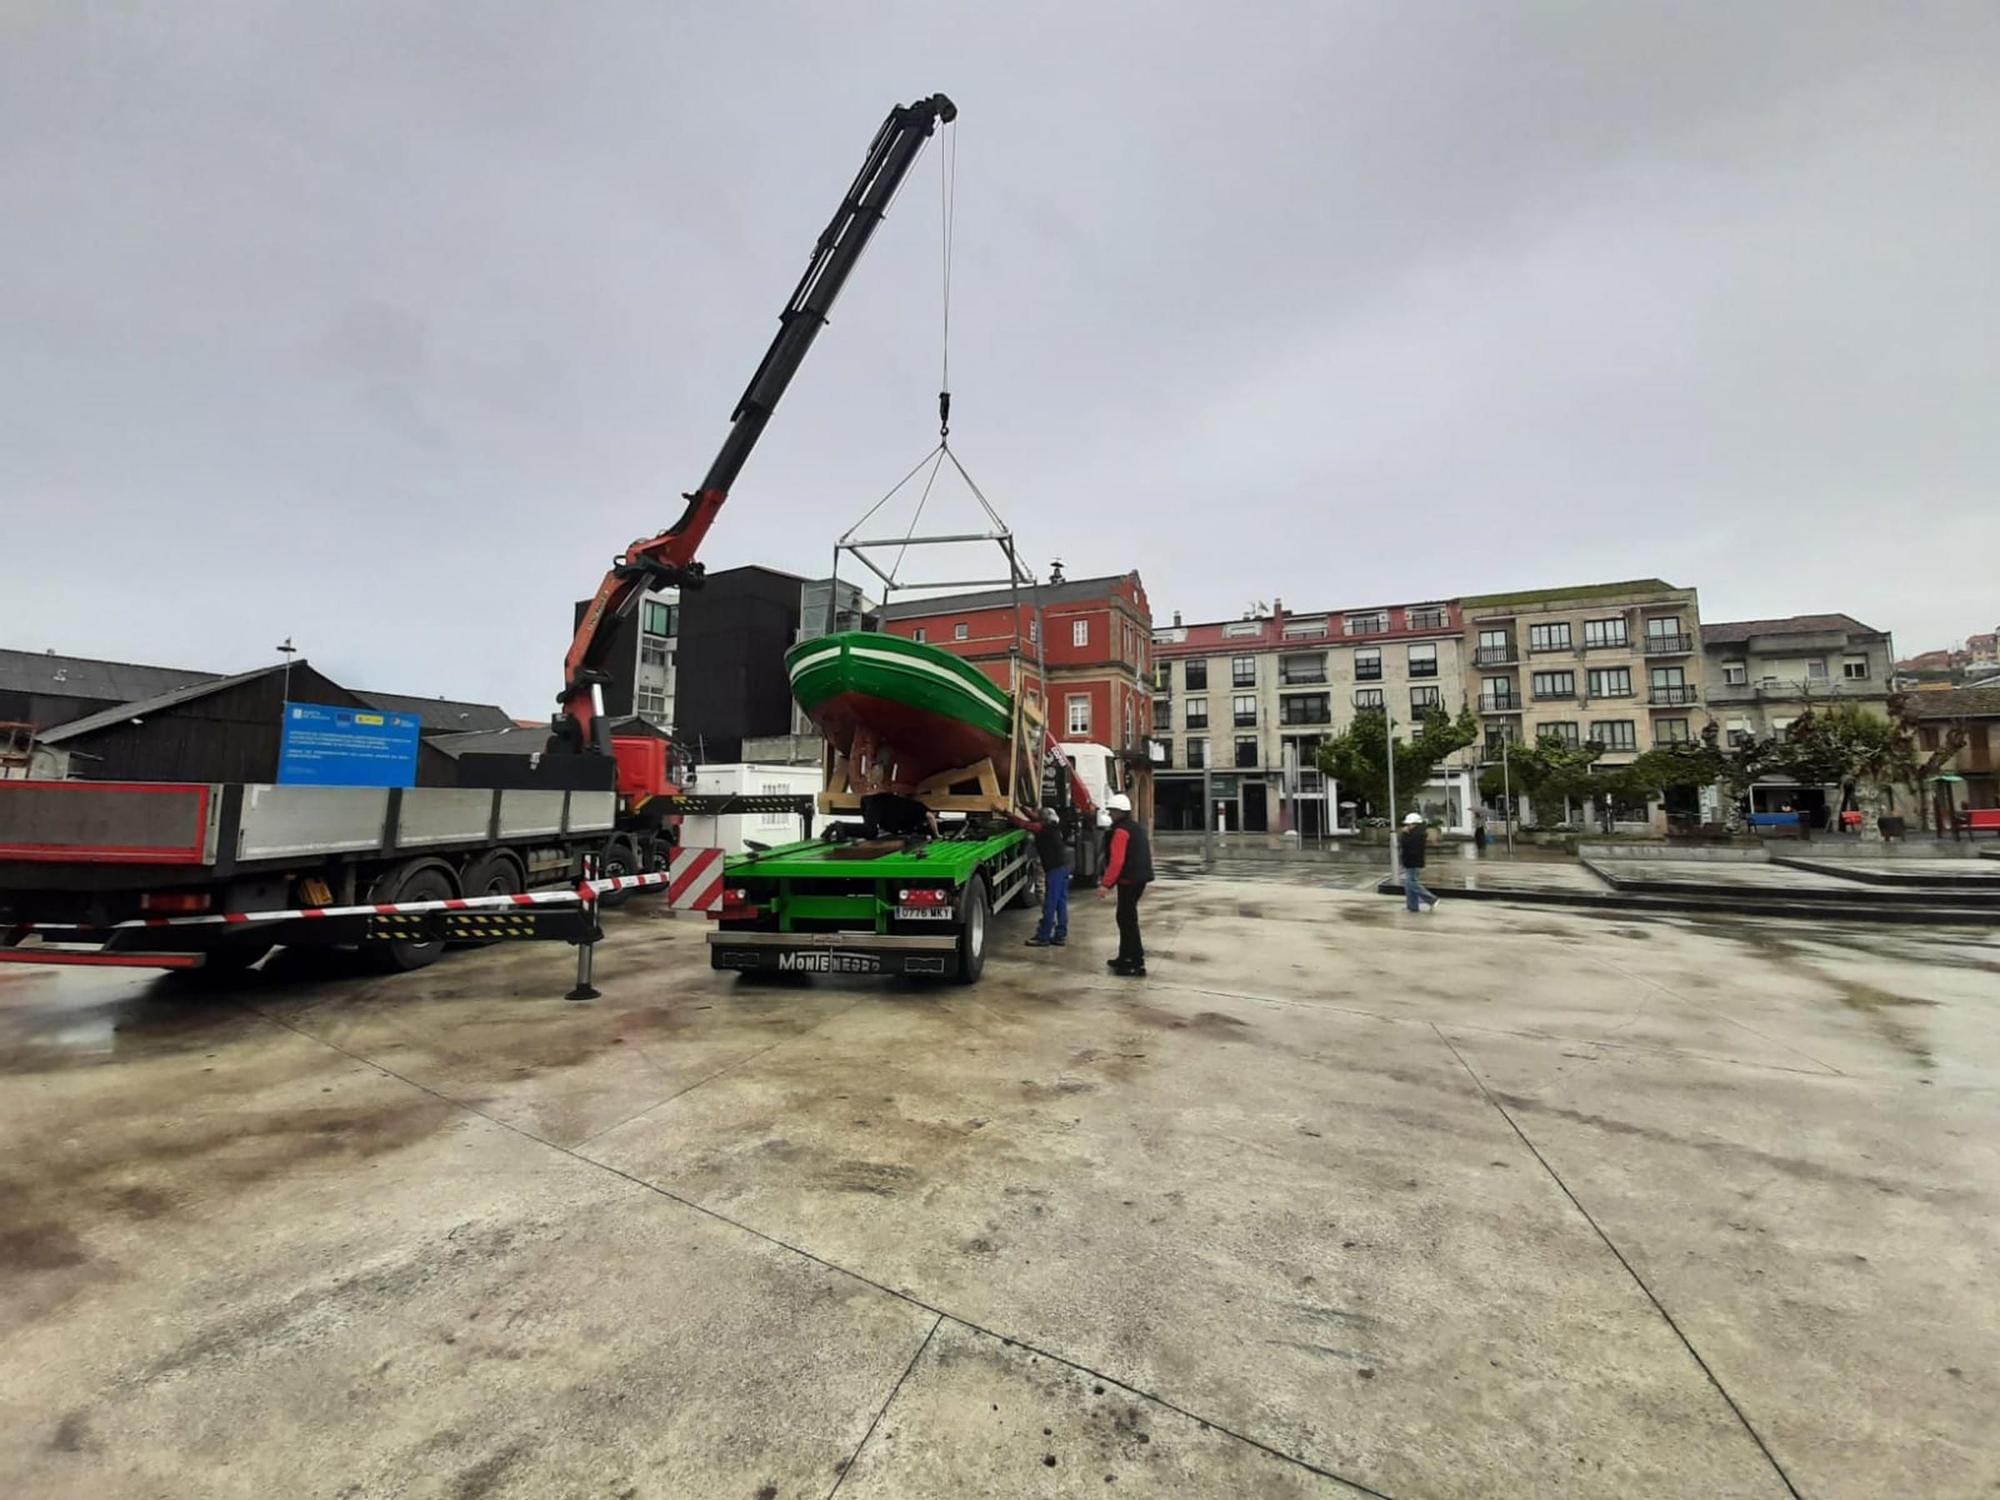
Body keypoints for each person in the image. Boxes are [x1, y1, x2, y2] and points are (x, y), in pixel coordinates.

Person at [1098, 793, 1153, 976]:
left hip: (1129, 880)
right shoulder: (1135, 827)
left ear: (1118, 812)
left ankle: (1135, 961)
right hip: (1138, 878)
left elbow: (1117, 861)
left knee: (1127, 920)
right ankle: (1125, 955)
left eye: (1112, 811)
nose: (1110, 814)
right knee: (1125, 918)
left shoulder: (1121, 831)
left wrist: (1106, 884)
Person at [1024, 806, 1071, 947]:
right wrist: (1021, 807)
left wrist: (1006, 813)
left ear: (1043, 819)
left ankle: (1043, 936)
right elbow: (1033, 819)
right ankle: (1060, 935)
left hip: (1054, 870)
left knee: (1050, 903)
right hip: (1063, 867)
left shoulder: (1043, 830)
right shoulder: (1054, 827)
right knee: (1061, 902)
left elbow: (1024, 824)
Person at [1398, 812, 1441, 913]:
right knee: (1409, 886)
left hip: (1414, 862)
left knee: (1411, 883)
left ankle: (1431, 899)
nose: (1407, 826)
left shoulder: (1417, 834)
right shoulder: (1415, 833)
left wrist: (1404, 834)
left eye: (1409, 824)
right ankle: (1412, 907)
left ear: (1415, 824)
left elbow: (1407, 845)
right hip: (1410, 861)